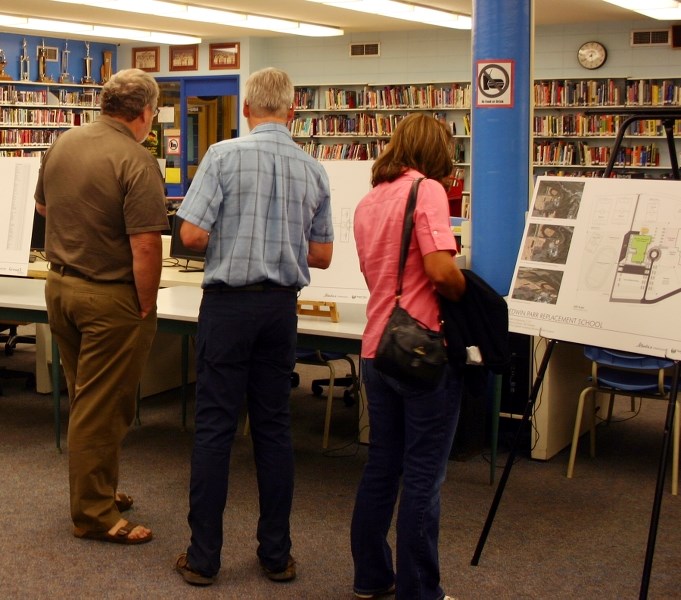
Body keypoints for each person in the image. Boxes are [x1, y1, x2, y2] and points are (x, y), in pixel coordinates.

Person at [174, 67, 334, 587]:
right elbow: (323, 255)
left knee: (216, 428)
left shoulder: (221, 156)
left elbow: (192, 236)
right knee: (274, 428)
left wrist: (232, 232)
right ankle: (275, 555)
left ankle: (203, 559)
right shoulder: (313, 168)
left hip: (228, 307)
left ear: (247, 110)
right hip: (280, 310)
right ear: (293, 112)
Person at [34, 68, 168, 545]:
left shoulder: (62, 144)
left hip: (59, 287)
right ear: (145, 112)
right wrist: (146, 304)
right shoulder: (136, 159)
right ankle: (94, 514)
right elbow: (147, 245)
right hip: (110, 298)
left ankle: (100, 490)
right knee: (102, 405)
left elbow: (45, 209)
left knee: (86, 398)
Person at [351, 113, 466, 600]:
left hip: (378, 347)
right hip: (420, 352)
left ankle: (372, 577)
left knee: (383, 465)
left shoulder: (369, 199)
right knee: (423, 473)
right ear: (437, 150)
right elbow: (440, 271)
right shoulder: (429, 191)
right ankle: (420, 592)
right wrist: (469, 290)